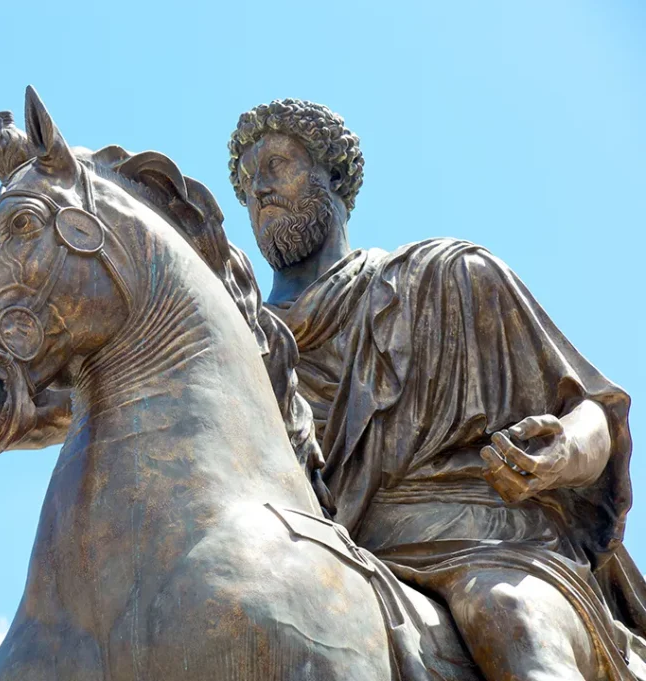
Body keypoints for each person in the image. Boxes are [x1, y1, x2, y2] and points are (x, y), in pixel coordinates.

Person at [228, 97, 646, 680]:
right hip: (314, 554)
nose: (259, 189)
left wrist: (561, 451)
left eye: (277, 164)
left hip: (484, 545)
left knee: (511, 622)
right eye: (247, 180)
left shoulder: (444, 277)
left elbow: (591, 411)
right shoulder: (239, 342)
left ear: (336, 177)